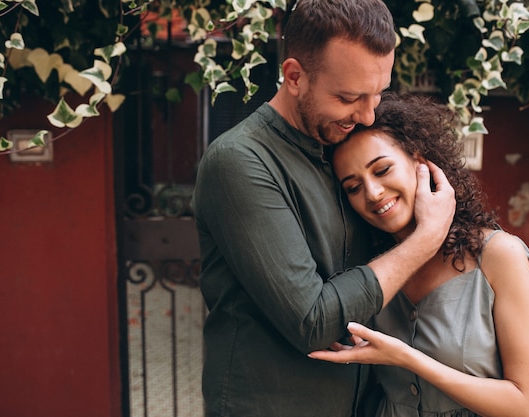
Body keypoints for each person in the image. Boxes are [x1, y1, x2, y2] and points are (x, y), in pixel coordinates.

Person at [192, 0, 457, 415]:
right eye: (350, 96)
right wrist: (427, 239)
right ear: (294, 76)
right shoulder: (240, 161)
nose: (368, 114)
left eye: (378, 94)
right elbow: (313, 322)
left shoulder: (342, 146)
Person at [309, 92, 529, 417]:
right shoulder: (369, 269)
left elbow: (528, 407)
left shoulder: (497, 255)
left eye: (382, 170)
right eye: (353, 187)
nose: (373, 193)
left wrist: (405, 357)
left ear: (420, 162)